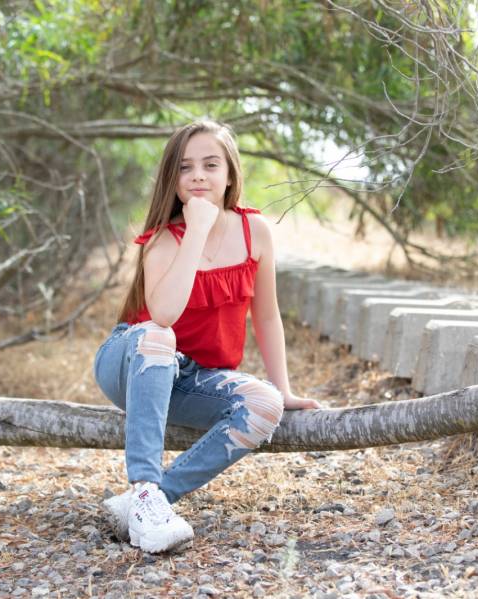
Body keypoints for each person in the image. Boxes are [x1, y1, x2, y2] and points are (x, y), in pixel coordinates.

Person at [93, 119, 320, 554]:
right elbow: (163, 316)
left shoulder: (256, 232)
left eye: (210, 165)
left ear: (230, 174)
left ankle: (151, 501)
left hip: (193, 379)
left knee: (265, 404)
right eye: (185, 167)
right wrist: (196, 230)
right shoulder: (163, 240)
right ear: (173, 179)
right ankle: (143, 485)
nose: (198, 175)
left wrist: (285, 389)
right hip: (133, 361)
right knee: (159, 336)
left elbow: (266, 316)